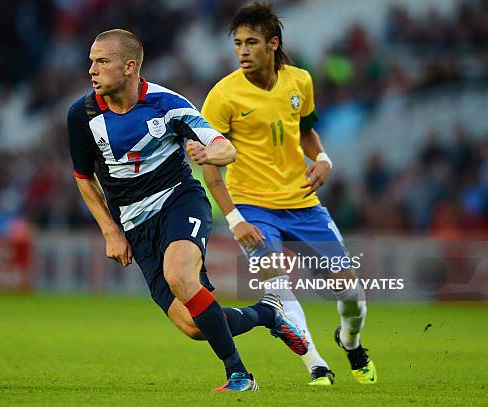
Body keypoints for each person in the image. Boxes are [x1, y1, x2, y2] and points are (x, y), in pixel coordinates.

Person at [67, 29, 307, 392]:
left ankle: (240, 376)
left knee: (180, 274)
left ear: (130, 66)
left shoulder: (169, 104)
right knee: (195, 326)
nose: (92, 70)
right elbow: (84, 178)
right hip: (133, 223)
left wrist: (209, 154)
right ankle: (267, 313)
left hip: (178, 200)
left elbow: (225, 148)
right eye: (91, 62)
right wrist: (111, 231)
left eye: (102, 61)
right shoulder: (80, 115)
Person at [201, 3, 377, 385]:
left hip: (303, 204)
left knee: (350, 292)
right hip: (252, 206)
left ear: (273, 44)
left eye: (251, 42)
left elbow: (306, 131)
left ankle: (350, 341)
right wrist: (235, 218)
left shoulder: (299, 82)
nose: (243, 51)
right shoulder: (223, 95)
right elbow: (208, 164)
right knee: (277, 287)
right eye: (237, 43)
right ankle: (317, 366)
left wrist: (324, 158)